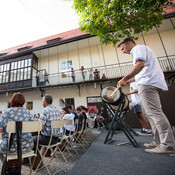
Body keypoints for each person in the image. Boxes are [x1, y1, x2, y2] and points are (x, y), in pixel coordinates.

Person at [117, 38, 175, 155]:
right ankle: (158, 141)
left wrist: (125, 78)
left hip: (148, 84)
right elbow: (144, 70)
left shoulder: (137, 48)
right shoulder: (142, 50)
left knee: (154, 113)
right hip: (149, 82)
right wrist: (130, 80)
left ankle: (168, 145)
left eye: (123, 48)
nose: (123, 52)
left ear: (130, 43)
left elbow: (140, 64)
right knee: (149, 113)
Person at [0, 92, 35, 160]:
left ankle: (6, 167)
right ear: (23, 101)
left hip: (9, 148)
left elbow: (0, 129)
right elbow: (33, 127)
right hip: (27, 147)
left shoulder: (7, 112)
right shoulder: (27, 112)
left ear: (12, 101)